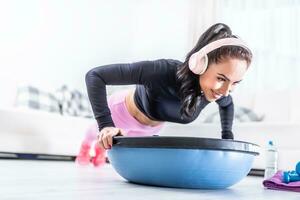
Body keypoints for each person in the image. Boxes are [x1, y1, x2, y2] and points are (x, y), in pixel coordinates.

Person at [75, 23, 253, 166]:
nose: (226, 91)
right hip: (122, 111)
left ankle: (99, 151)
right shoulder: (161, 71)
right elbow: (95, 76)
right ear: (200, 63)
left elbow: (228, 104)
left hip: (149, 128)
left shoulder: (213, 92)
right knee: (94, 134)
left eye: (235, 82)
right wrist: (105, 125)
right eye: (221, 78)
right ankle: (86, 147)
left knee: (117, 154)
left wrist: (227, 137)